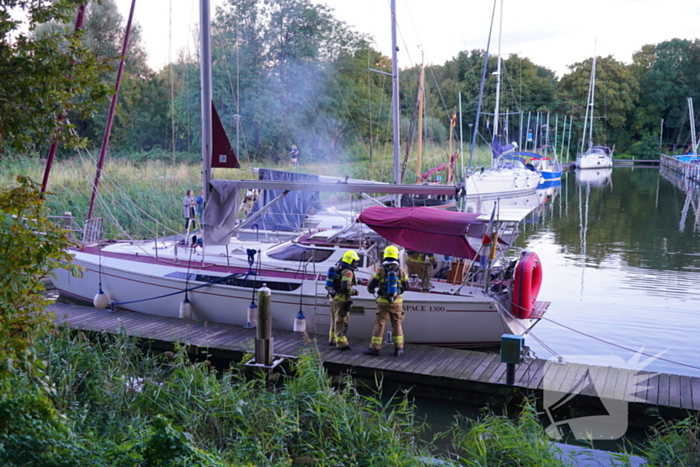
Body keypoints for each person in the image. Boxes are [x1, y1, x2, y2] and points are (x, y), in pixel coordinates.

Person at [363, 245, 410, 357]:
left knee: (379, 324)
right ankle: (398, 349)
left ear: (385, 256)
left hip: (383, 302)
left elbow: (371, 285)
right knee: (397, 325)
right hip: (397, 303)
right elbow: (407, 286)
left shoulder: (379, 270)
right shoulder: (401, 270)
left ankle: (375, 349)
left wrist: (373, 291)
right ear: (396, 256)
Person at [328, 250, 360, 351]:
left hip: (334, 298)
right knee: (341, 321)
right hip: (342, 300)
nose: (356, 264)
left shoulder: (339, 267)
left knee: (334, 320)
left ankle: (332, 339)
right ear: (351, 261)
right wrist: (354, 292)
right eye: (355, 261)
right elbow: (345, 287)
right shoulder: (348, 272)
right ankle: (341, 343)